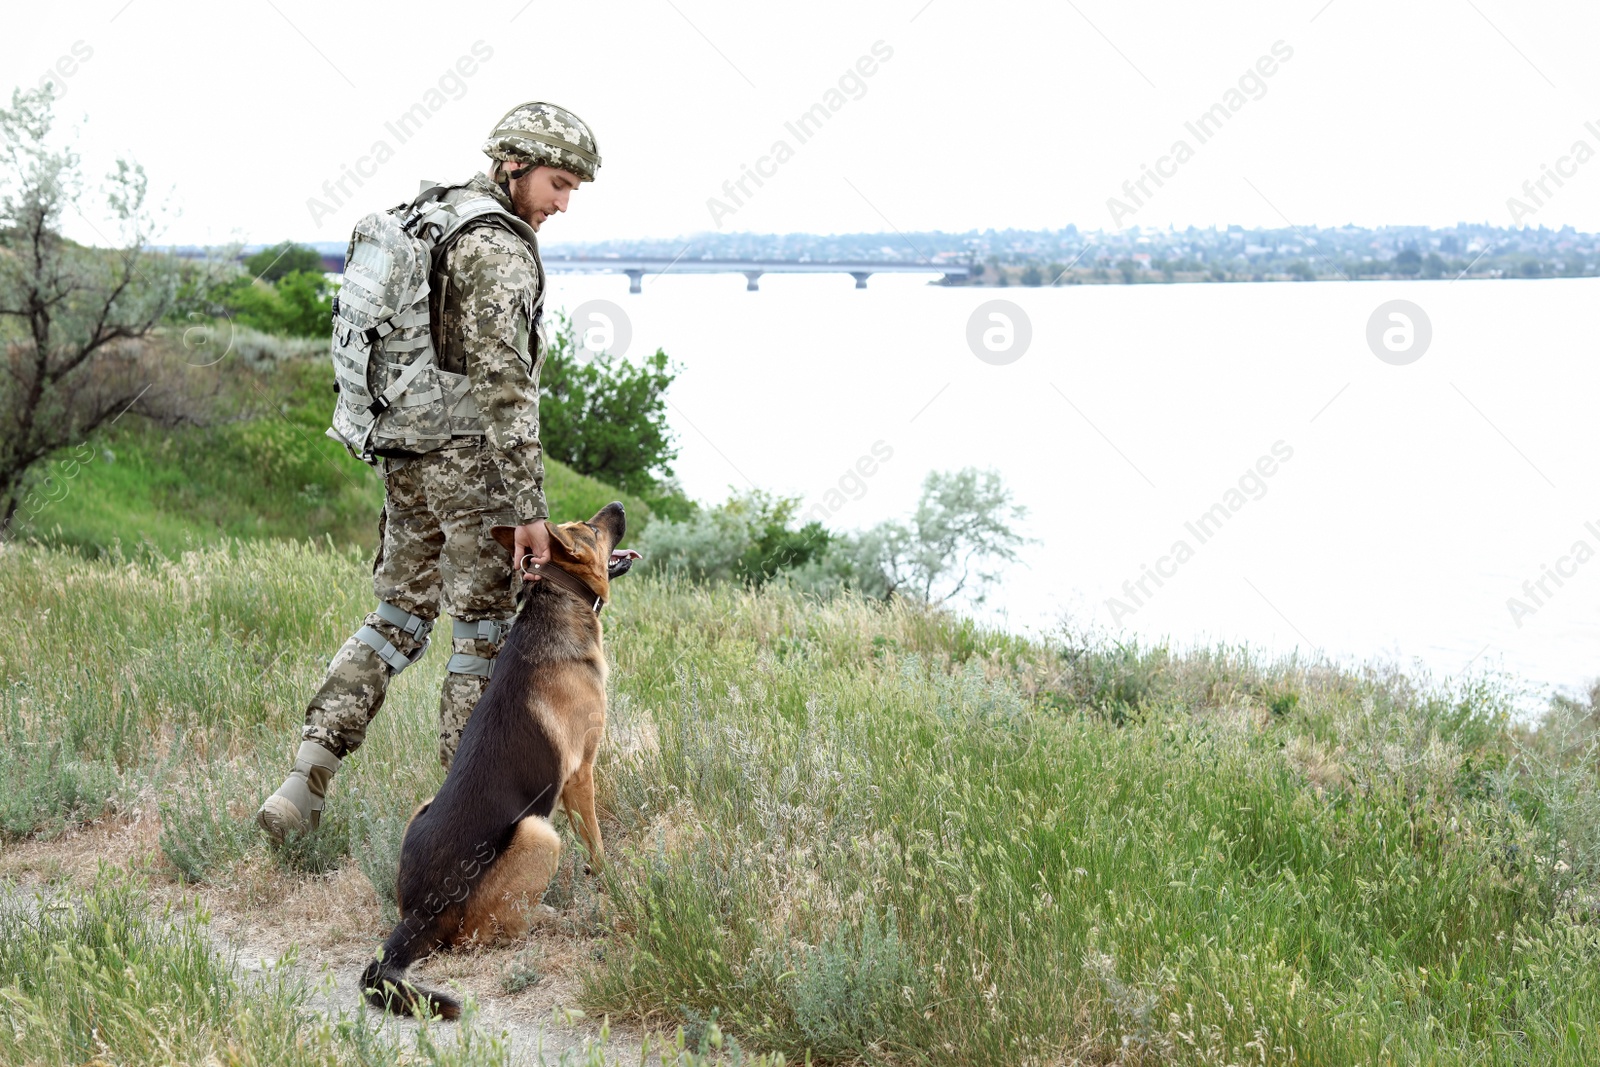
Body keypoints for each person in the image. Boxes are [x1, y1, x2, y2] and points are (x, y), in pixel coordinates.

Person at [256, 101, 601, 845]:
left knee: (396, 620)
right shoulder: (499, 248)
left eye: (574, 188)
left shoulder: (434, 212)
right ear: (514, 164)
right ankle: (475, 832)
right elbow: (505, 383)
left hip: (406, 456)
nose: (564, 203)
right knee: (481, 638)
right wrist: (529, 507)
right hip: (470, 466)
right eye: (558, 182)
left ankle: (302, 782)